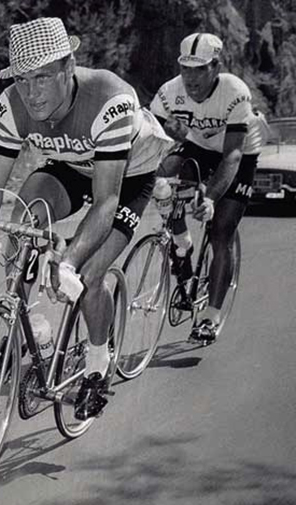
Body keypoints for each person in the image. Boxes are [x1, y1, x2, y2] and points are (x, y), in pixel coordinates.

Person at [0, 17, 172, 420]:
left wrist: (69, 261)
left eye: (42, 78)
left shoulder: (109, 98)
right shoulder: (11, 105)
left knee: (90, 276)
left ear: (68, 67)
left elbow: (106, 201)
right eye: (23, 80)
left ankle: (98, 367)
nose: (32, 92)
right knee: (24, 219)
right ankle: (27, 330)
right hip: (71, 166)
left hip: (126, 177)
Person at [149, 32, 265, 345]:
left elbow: (232, 155)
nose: (191, 77)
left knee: (221, 232)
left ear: (215, 67)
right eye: (185, 68)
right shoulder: (169, 92)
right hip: (199, 145)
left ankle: (211, 317)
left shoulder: (234, 92)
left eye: (199, 69)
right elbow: (149, 141)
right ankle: (181, 239)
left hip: (240, 151)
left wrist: (211, 198)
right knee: (161, 176)